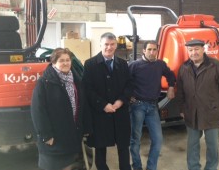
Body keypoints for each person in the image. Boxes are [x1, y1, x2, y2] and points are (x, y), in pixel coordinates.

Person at [175, 39, 219, 170]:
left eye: (196, 49)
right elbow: (180, 91)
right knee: (192, 144)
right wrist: (182, 109)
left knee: (212, 145)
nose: (193, 52)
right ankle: (193, 167)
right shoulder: (184, 67)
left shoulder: (216, 65)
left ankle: (211, 168)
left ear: (203, 49)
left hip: (211, 111)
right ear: (187, 51)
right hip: (191, 112)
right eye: (190, 50)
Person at [31, 48, 92, 170]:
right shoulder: (45, 83)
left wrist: (86, 127)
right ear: (53, 63)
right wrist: (46, 135)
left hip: (71, 136)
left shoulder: (76, 80)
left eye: (68, 60)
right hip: (54, 138)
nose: (65, 63)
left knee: (70, 164)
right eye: (61, 60)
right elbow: (38, 111)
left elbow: (83, 106)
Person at [82, 32, 132, 170]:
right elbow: (87, 89)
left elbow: (129, 85)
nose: (109, 47)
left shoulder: (122, 64)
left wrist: (121, 101)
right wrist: (103, 104)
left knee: (123, 146)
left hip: (120, 111)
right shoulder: (90, 64)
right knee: (100, 147)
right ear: (100, 44)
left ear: (116, 45)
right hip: (100, 113)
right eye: (106, 44)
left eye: (112, 44)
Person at [128, 40, 176, 170]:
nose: (152, 52)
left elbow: (171, 75)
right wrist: (128, 96)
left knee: (158, 140)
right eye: (149, 49)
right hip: (137, 106)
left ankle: (151, 167)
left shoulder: (160, 64)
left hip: (153, 107)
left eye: (154, 50)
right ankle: (137, 166)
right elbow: (123, 82)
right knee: (135, 139)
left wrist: (171, 87)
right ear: (143, 50)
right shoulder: (134, 65)